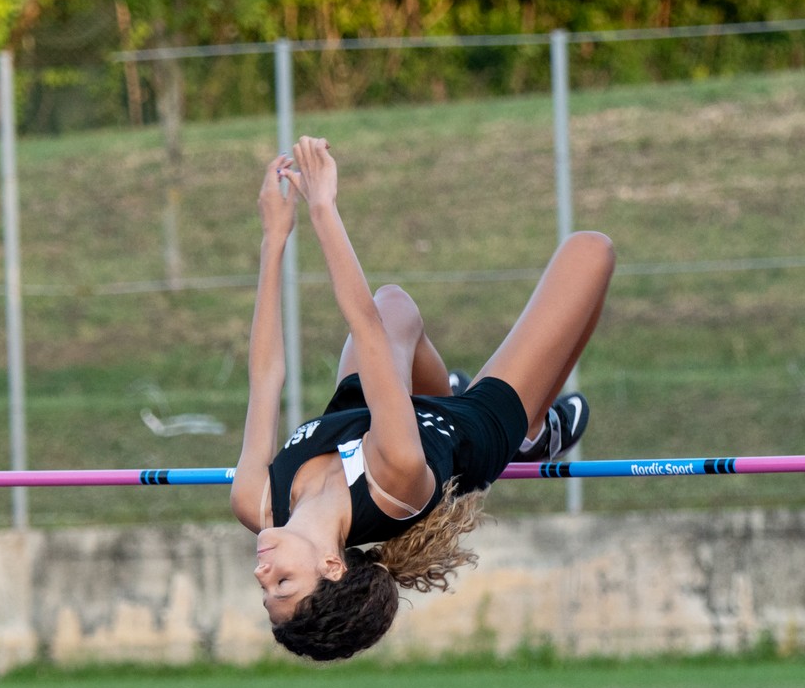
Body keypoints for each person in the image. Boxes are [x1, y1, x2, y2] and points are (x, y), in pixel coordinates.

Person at [230, 136, 614, 660]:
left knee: (394, 304)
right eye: (283, 584)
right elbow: (364, 329)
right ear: (332, 567)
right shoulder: (395, 479)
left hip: (366, 410)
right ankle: (531, 431)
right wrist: (322, 208)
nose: (262, 573)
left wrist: (273, 239)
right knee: (592, 251)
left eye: (264, 590)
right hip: (467, 430)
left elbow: (266, 376)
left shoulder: (255, 501)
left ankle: (440, 389)